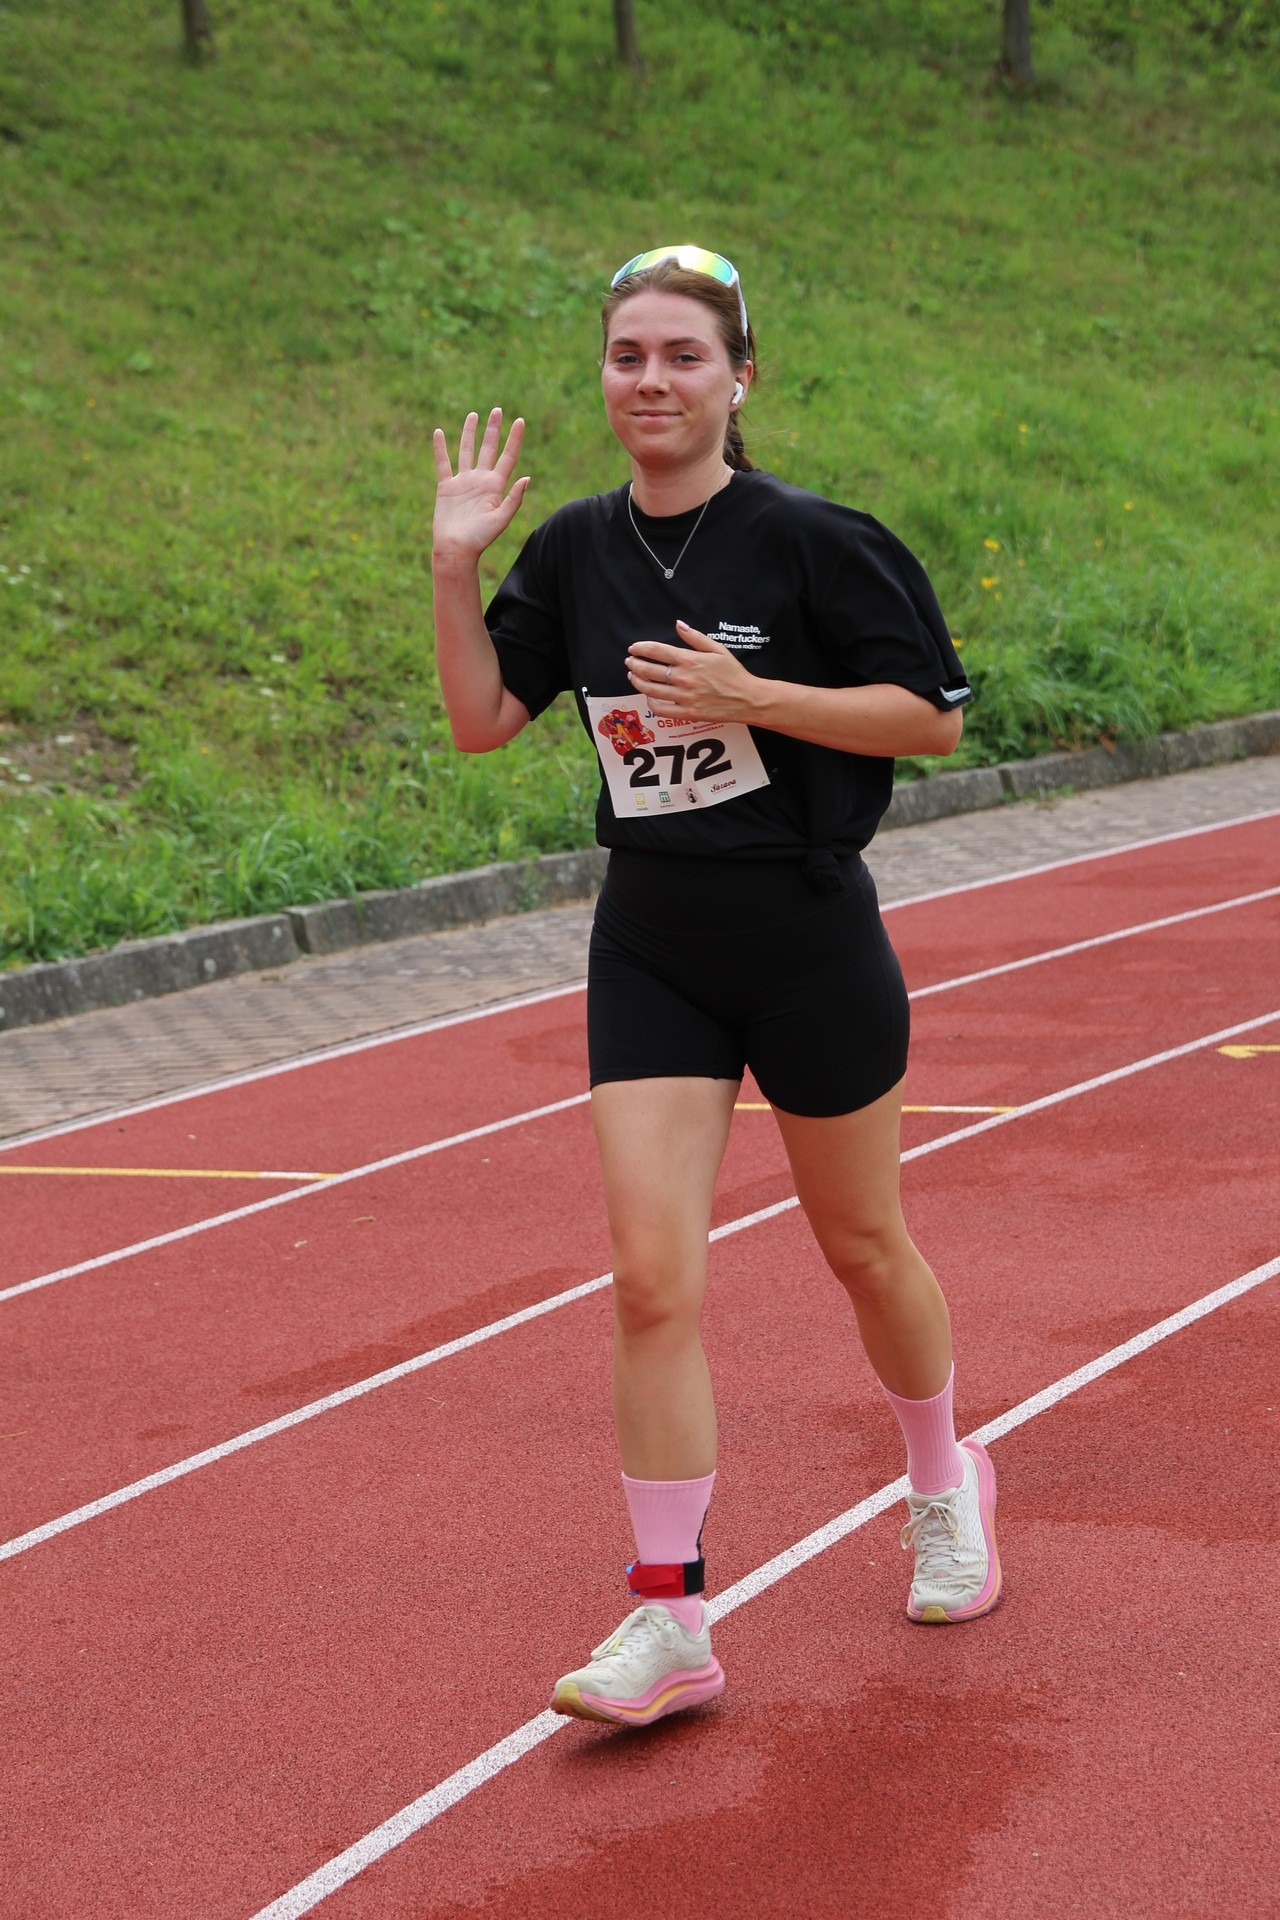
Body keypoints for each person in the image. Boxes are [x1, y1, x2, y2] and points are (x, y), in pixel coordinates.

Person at [431, 245, 1001, 1730]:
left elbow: (931, 721)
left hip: (807, 939)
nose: (653, 381)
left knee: (863, 1244)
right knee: (649, 1278)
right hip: (654, 945)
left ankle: (944, 1480)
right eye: (628, 355)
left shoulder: (816, 541)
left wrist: (760, 699)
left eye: (684, 355)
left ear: (740, 377)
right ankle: (672, 1615)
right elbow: (483, 721)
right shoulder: (574, 548)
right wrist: (453, 566)